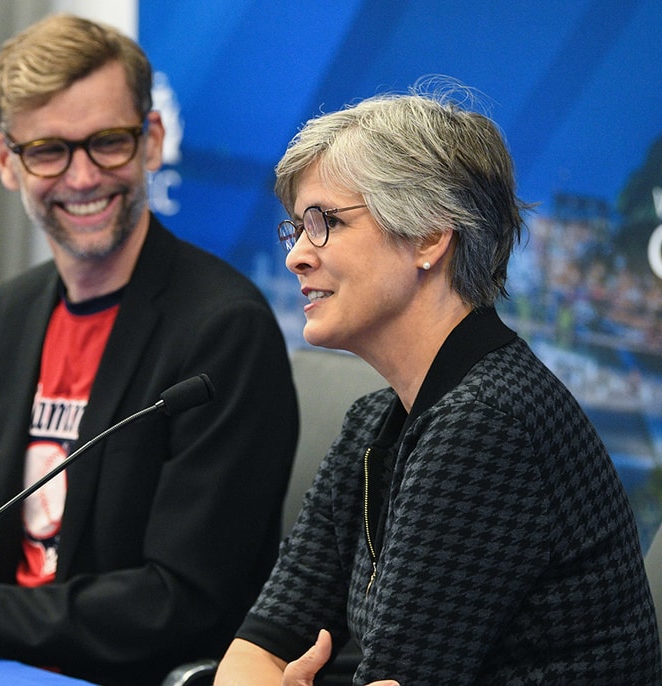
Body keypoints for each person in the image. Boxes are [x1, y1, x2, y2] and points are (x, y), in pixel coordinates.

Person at [0, 13, 298, 686]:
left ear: (152, 140)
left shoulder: (223, 329)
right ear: (6, 161)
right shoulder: (14, 312)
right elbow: (8, 561)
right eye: (48, 150)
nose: (81, 178)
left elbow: (183, 601)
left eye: (107, 143)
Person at [215, 81, 662, 684]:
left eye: (326, 223)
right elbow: (259, 647)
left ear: (429, 235)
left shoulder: (487, 425)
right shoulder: (373, 422)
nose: (297, 254)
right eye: (296, 228)